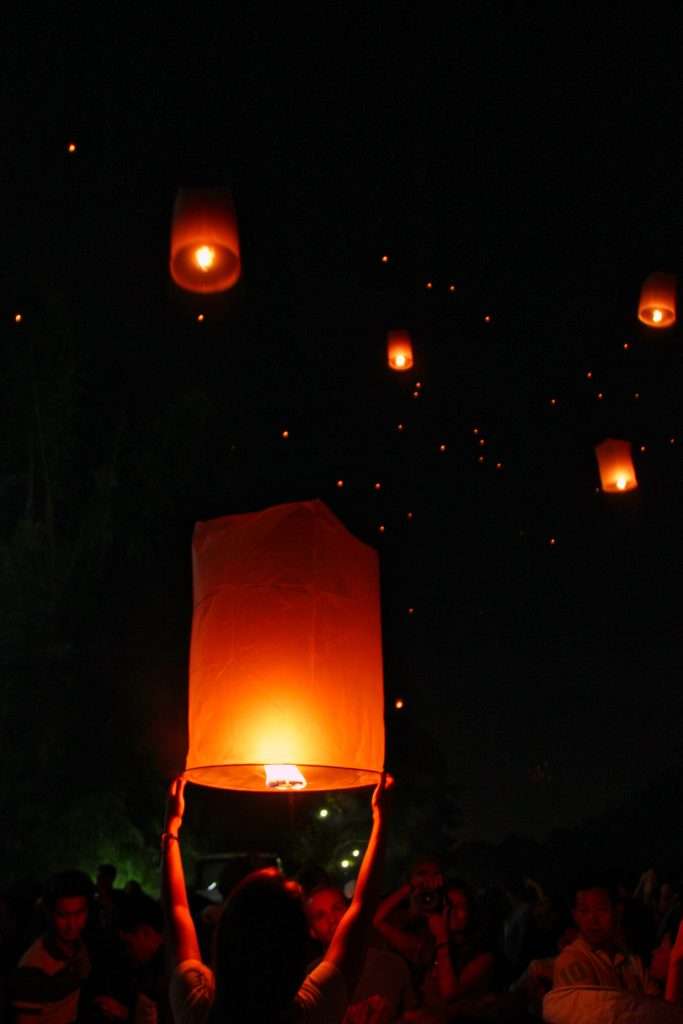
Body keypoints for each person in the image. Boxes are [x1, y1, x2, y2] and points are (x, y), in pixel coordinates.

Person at [162, 772, 393, 1024]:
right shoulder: (312, 1012)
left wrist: (171, 830)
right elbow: (360, 910)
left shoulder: (196, 1009)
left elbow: (176, 911)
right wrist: (381, 820)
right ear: (297, 952)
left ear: (225, 938)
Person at [305, 883, 415, 1021]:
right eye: (320, 916)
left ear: (350, 911)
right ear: (312, 931)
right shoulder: (307, 983)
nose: (332, 919)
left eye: (337, 908)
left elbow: (412, 1015)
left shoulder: (391, 964)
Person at [11, 870, 92, 1024]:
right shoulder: (32, 969)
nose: (72, 925)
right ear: (49, 913)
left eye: (79, 913)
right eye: (63, 915)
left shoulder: (78, 945)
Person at [418, 879, 496, 1019]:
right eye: (448, 905)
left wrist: (442, 937)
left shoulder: (484, 957)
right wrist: (413, 887)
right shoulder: (428, 946)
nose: (452, 912)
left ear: (471, 912)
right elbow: (379, 922)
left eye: (460, 906)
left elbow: (449, 993)